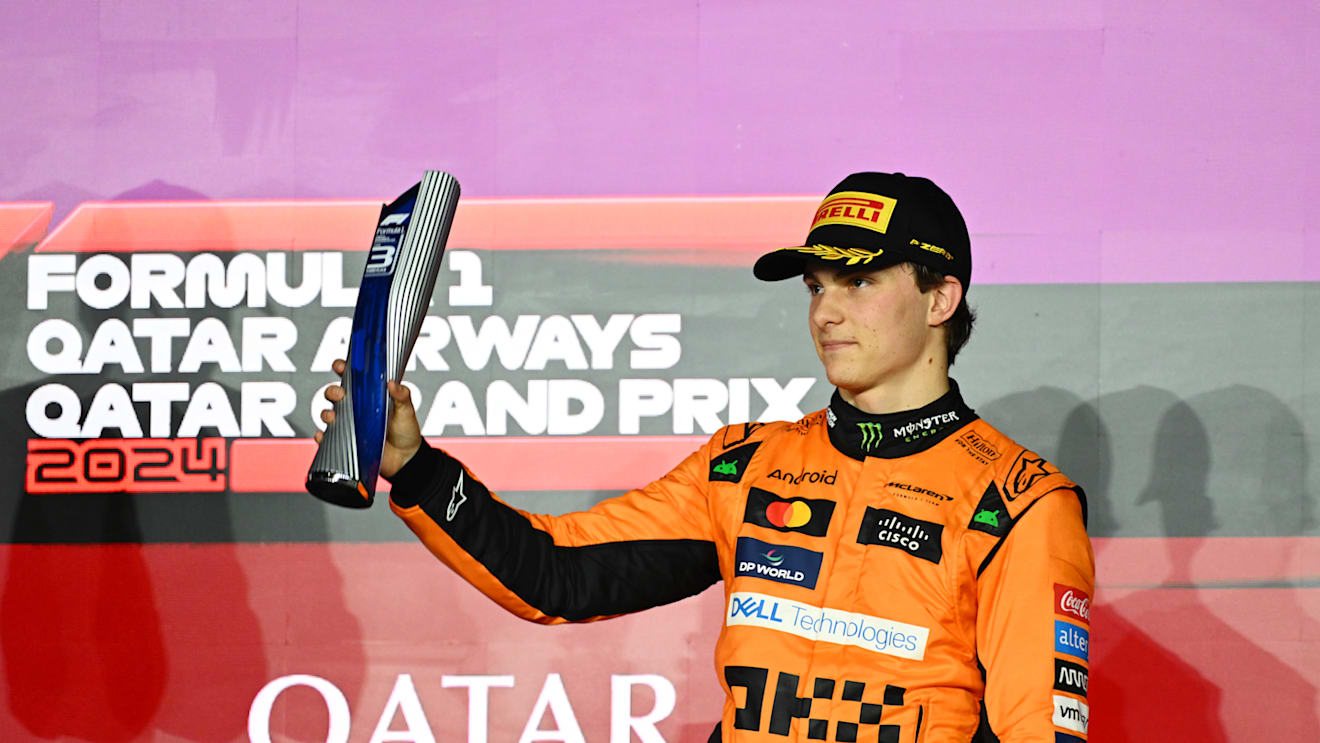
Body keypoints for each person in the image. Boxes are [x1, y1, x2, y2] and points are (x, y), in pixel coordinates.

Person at [317, 172, 1094, 742]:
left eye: (858, 282)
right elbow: (557, 572)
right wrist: (416, 467)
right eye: (817, 287)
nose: (826, 311)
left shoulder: (1021, 501)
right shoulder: (746, 465)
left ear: (940, 299)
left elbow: (1039, 732)